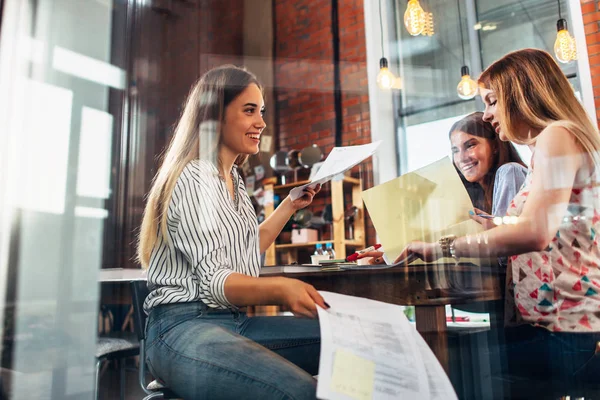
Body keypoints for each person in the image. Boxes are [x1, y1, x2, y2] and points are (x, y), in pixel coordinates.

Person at [396, 49, 600, 397]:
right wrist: (495, 226)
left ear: (523, 95)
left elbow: (535, 233)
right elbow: (550, 229)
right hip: (558, 326)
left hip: (564, 332)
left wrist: (441, 248)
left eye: (492, 101)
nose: (488, 114)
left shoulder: (556, 135)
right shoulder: (554, 142)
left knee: (432, 361)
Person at [137, 65, 327, 400]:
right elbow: (216, 281)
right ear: (215, 117)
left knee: (345, 344)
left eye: (262, 111)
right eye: (249, 110)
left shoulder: (234, 181)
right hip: (181, 329)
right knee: (300, 393)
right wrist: (281, 290)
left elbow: (246, 249)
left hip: (233, 322)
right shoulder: (194, 179)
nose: (262, 123)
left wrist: (288, 207)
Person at [450, 111, 527, 216]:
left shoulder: (510, 171)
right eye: (455, 151)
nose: (462, 158)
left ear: (494, 145)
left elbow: (507, 231)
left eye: (470, 145)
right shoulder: (478, 196)